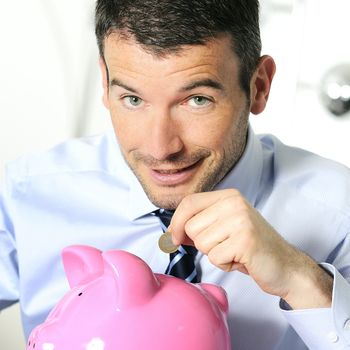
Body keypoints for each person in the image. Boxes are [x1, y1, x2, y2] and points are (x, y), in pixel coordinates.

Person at [0, 0, 350, 349]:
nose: (160, 147)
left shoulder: (339, 214)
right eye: (133, 100)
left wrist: (302, 280)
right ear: (105, 84)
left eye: (197, 100)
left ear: (258, 86)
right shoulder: (27, 194)